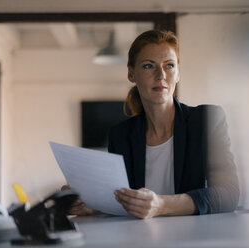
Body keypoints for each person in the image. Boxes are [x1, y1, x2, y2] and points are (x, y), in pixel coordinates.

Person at [68, 30, 239, 219]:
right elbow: (125, 200)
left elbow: (228, 194)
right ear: (131, 73)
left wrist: (161, 205)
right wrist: (91, 206)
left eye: (169, 66)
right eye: (149, 66)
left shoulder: (207, 120)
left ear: (178, 73)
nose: (161, 75)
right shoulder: (121, 135)